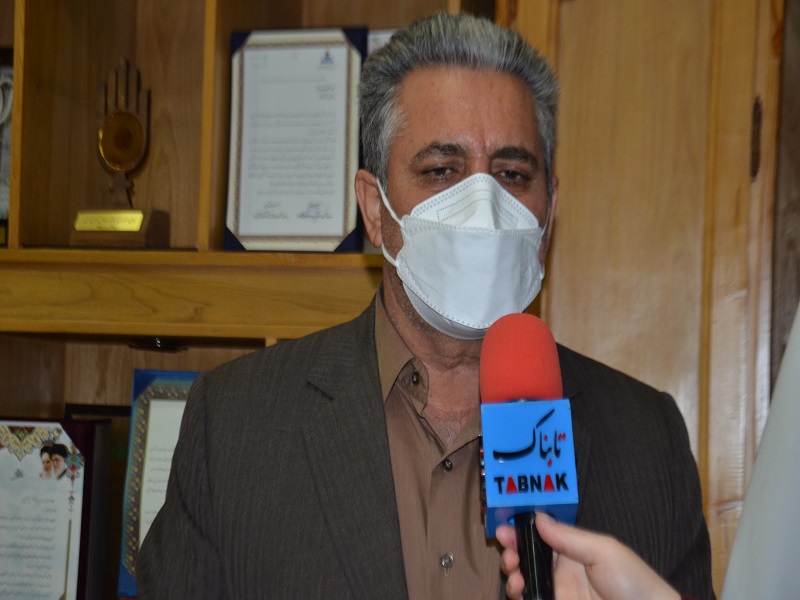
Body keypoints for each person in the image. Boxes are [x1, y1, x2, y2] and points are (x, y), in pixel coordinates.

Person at [138, 12, 714, 599]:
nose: (483, 205)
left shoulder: (648, 442)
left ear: (549, 210)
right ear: (374, 208)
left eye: (512, 173)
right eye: (442, 170)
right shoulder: (234, 427)